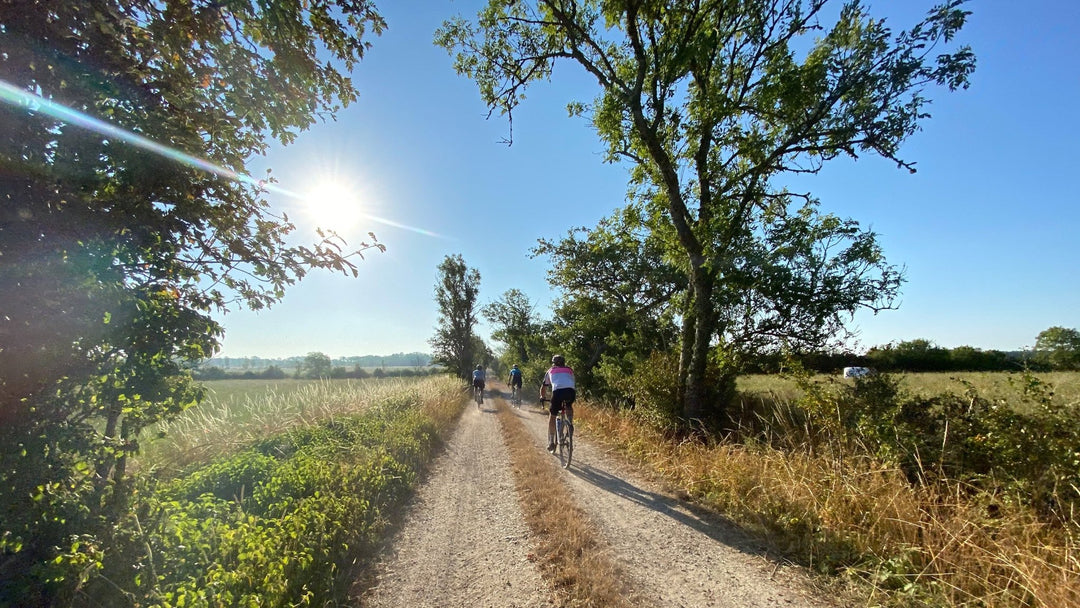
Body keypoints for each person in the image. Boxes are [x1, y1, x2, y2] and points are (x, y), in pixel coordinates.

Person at [539, 355, 575, 453]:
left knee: (553, 415)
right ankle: (570, 423)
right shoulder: (569, 369)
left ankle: (551, 442)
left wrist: (542, 397)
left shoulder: (550, 370)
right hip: (571, 391)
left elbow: (544, 387)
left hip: (558, 392)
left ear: (553, 363)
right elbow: (571, 381)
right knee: (568, 405)